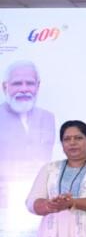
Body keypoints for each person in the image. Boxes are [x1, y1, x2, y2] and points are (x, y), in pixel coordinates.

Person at [0, 60, 55, 207]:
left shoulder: (48, 118)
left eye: (29, 83)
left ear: (38, 86)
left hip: (40, 201)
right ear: (5, 87)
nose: (24, 89)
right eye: (17, 83)